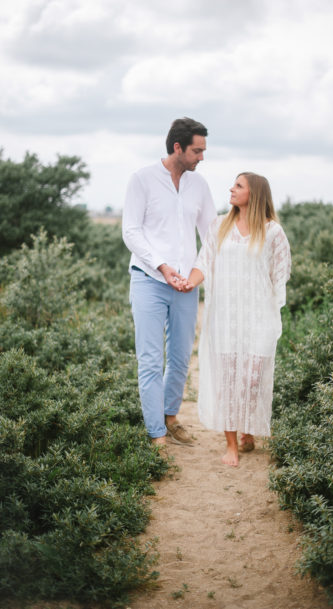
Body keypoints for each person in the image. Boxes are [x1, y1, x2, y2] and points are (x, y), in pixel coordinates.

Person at [181, 172, 291, 466]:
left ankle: (250, 429)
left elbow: (280, 275)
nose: (231, 188)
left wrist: (270, 307)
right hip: (226, 318)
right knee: (228, 379)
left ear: (254, 194)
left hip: (258, 317)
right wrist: (189, 282)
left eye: (238, 185)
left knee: (252, 378)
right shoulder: (220, 225)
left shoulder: (273, 233)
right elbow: (204, 261)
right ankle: (231, 445)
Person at [122, 118, 217, 446]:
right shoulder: (143, 179)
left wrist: (194, 276)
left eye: (203, 151)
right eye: (196, 150)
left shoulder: (199, 186)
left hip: (186, 287)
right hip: (149, 280)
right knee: (149, 360)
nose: (201, 157)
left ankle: (170, 415)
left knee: (179, 358)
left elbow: (211, 236)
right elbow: (130, 231)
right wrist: (162, 267)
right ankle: (156, 435)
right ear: (177, 147)